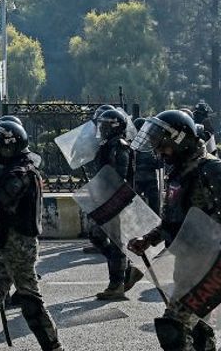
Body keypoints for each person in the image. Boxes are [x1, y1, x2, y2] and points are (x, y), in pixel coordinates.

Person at [128, 110, 221, 351]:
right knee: (200, 330)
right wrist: (148, 239)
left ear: (180, 140)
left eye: (163, 146)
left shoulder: (212, 167)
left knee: (174, 327)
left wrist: (203, 250)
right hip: (183, 261)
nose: (159, 153)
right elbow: (171, 220)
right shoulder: (176, 172)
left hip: (206, 263)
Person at [0, 120, 64, 351]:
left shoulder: (20, 174)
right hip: (5, 240)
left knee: (29, 299)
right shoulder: (12, 169)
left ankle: (54, 347)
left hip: (18, 244)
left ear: (9, 147)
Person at [90, 109, 143, 301]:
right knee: (96, 235)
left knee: (115, 243)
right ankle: (127, 269)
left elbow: (119, 176)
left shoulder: (120, 146)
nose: (101, 129)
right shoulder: (107, 145)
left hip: (116, 201)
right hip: (105, 199)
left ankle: (116, 285)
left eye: (105, 126)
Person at [132, 118, 163, 215]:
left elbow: (160, 164)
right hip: (137, 180)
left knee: (154, 206)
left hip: (150, 180)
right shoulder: (133, 145)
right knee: (134, 205)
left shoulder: (152, 145)